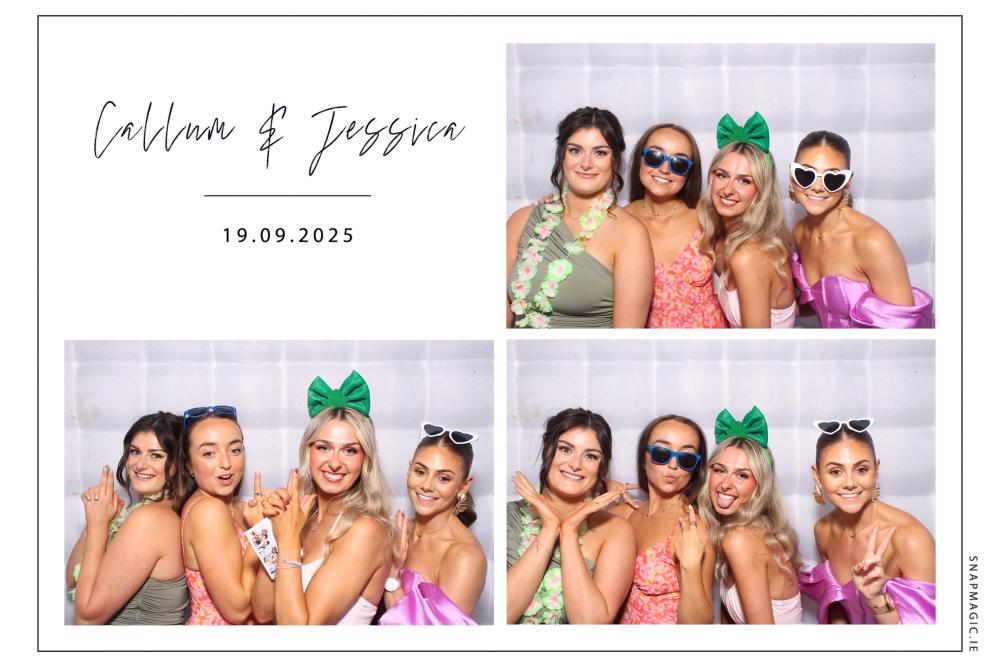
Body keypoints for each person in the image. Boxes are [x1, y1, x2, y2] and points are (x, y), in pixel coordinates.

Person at [253, 372, 394, 625]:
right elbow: (262, 611)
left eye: (349, 450)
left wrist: (288, 541)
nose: (335, 462)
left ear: (365, 460)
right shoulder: (306, 514)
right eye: (324, 447)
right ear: (309, 451)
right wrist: (273, 530)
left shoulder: (366, 530)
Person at [506, 106, 653, 328]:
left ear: (615, 160)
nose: (586, 163)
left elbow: (626, 337)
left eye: (600, 153)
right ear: (562, 154)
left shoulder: (630, 234)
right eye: (575, 150)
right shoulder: (520, 221)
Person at [789, 131, 934, 327]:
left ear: (847, 182)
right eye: (806, 175)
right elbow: (825, 304)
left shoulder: (873, 242)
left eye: (832, 178)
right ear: (792, 175)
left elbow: (906, 330)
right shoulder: (800, 232)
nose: (817, 187)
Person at [799, 419, 936, 623]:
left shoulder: (912, 539)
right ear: (817, 475)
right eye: (836, 471)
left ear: (876, 470)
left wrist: (876, 599)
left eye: (861, 469)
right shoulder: (823, 530)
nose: (850, 483)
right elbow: (837, 604)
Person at [507, 408, 635, 624]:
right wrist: (550, 528)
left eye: (590, 456)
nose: (576, 465)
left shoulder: (616, 531)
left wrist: (568, 532)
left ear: (602, 465)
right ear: (547, 450)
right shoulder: (507, 517)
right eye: (566, 449)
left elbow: (590, 626)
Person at [66, 412, 189, 624]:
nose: (140, 464)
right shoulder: (145, 511)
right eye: (135, 451)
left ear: (179, 464)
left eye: (156, 455)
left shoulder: (150, 519)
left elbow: (86, 619)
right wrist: (98, 522)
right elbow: (72, 580)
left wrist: (98, 527)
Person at [697, 406, 803, 623]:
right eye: (720, 470)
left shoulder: (739, 539)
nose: (725, 484)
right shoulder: (755, 527)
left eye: (742, 475)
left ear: (760, 485)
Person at [611, 415, 715, 624]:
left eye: (686, 458)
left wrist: (691, 566)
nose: (673, 465)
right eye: (661, 453)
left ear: (695, 469)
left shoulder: (691, 528)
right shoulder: (625, 513)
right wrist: (601, 485)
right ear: (643, 459)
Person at [379, 423, 487, 625]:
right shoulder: (396, 531)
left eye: (443, 478)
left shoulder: (465, 556)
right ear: (409, 469)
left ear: (464, 485)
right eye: (420, 472)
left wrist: (393, 573)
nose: (427, 486)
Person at [698, 112, 795, 328]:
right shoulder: (725, 241)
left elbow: (756, 346)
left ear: (761, 192)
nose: (728, 189)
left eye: (744, 181)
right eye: (722, 175)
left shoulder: (748, 256)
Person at [624, 124, 725, 328]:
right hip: (650, 346)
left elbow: (738, 281)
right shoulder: (619, 222)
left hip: (711, 342)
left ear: (689, 173)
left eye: (679, 163)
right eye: (654, 156)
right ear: (640, 159)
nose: (664, 169)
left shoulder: (706, 217)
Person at [175, 405, 262, 625]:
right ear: (188, 464)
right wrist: (263, 536)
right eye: (209, 453)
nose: (226, 463)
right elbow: (238, 611)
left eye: (235, 450)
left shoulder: (239, 509)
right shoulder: (208, 511)